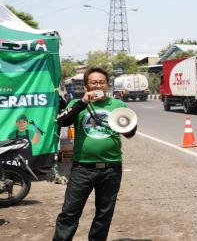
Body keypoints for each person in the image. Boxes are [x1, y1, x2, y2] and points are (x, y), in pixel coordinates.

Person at [53, 67, 137, 241]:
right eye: (93, 82)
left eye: (101, 82)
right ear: (86, 86)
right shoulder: (77, 104)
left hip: (111, 167)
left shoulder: (118, 105)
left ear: (107, 85)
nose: (98, 85)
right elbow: (61, 121)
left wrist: (128, 125)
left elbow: (130, 133)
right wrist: (82, 103)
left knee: (104, 214)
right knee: (69, 213)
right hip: (82, 168)